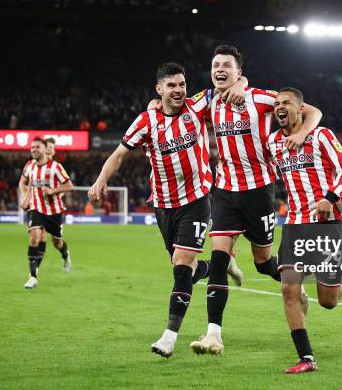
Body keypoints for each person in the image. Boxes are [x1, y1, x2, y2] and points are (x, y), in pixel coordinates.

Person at [88, 62, 243, 358]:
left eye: (182, 84)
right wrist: (100, 179)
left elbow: (230, 86)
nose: (179, 90)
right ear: (159, 90)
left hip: (197, 200)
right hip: (163, 205)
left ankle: (169, 337)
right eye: (171, 86)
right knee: (185, 268)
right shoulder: (146, 120)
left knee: (182, 270)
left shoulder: (197, 106)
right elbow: (120, 154)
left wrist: (239, 83)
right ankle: (222, 265)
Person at [190, 45, 323, 356]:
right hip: (223, 190)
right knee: (219, 259)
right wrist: (158, 102)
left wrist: (301, 134)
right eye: (215, 65)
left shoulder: (261, 98)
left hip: (260, 191)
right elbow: (178, 108)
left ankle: (295, 283)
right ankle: (213, 335)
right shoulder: (207, 100)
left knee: (263, 263)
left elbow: (313, 112)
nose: (219, 69)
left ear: (239, 72)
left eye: (226, 65)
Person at [267, 88, 342, 373]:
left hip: (325, 225)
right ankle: (306, 358)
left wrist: (330, 198)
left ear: (301, 108)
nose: (280, 107)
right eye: (276, 104)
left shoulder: (322, 136)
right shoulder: (272, 142)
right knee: (288, 289)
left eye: (286, 103)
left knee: (328, 302)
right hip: (294, 224)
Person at [19, 137, 73, 289]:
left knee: (57, 242)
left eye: (38, 147)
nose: (34, 150)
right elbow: (28, 184)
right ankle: (33, 276)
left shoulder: (56, 167)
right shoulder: (30, 166)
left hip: (54, 211)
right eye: (32, 147)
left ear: (45, 149)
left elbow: (69, 186)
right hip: (36, 209)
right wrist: (26, 199)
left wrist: (53, 191)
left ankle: (65, 254)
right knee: (35, 237)